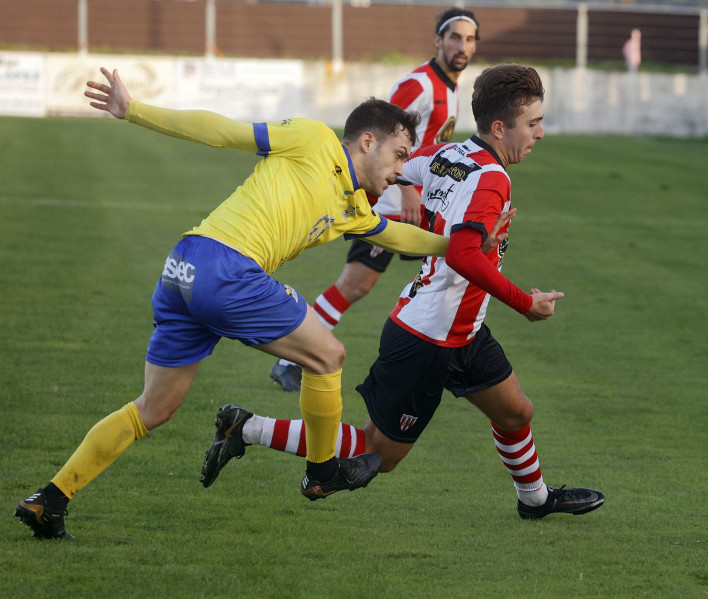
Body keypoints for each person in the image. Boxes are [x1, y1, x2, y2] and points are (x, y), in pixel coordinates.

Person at [14, 66, 458, 540]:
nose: (400, 172)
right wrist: (134, 110)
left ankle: (50, 499)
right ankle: (322, 472)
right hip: (226, 269)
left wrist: (460, 245)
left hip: (183, 267)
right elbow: (223, 132)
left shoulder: (355, 209)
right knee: (328, 356)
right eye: (399, 156)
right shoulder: (312, 139)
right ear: (367, 141)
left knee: (154, 407)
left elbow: (396, 234)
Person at [202, 64, 605, 520]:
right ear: (500, 127)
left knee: (515, 412)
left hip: (464, 331)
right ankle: (246, 427)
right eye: (533, 123)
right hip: (426, 339)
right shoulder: (493, 178)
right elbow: (464, 256)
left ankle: (535, 501)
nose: (541, 133)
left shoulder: (449, 153)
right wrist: (525, 303)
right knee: (379, 451)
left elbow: (395, 169)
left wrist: (382, 201)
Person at [270, 7, 480, 392]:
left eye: (469, 39)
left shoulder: (448, 88)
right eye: (454, 37)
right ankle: (291, 359)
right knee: (361, 283)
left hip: (415, 203)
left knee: (438, 277)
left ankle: (442, 361)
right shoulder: (420, 84)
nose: (462, 45)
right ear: (438, 40)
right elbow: (387, 136)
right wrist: (408, 189)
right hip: (392, 202)